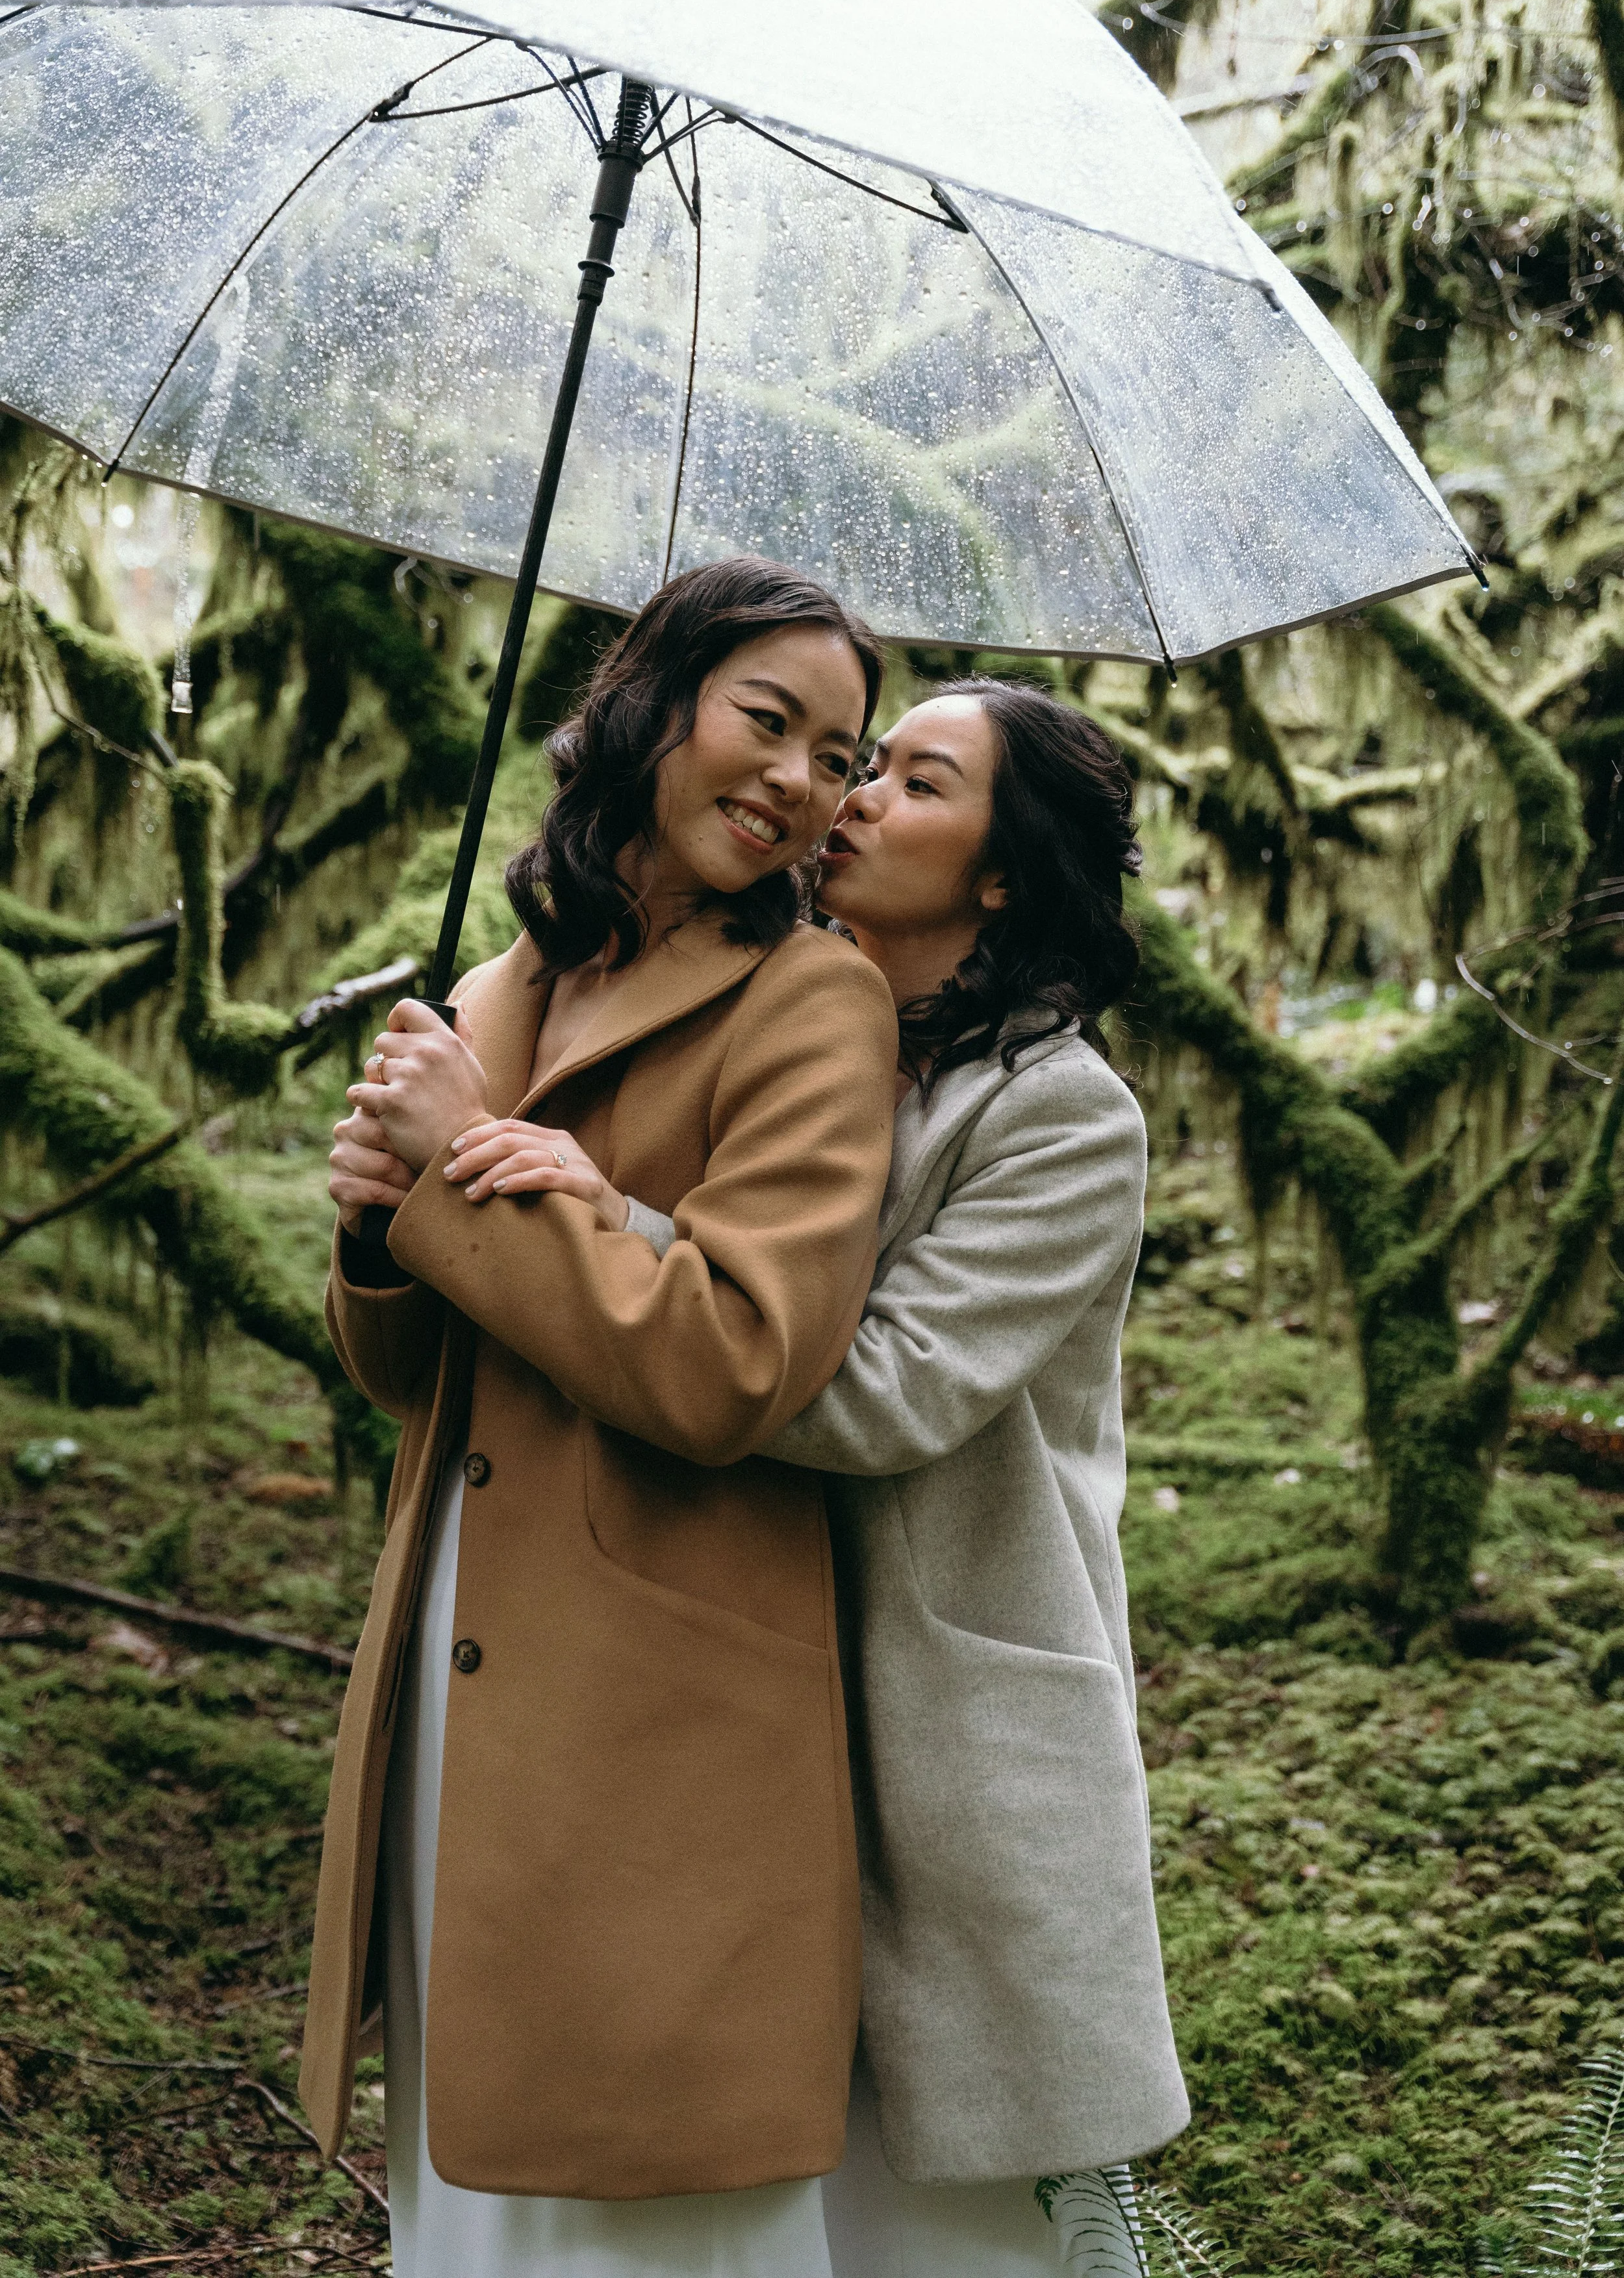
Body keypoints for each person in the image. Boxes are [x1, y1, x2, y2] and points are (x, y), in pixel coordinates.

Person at [457, 676, 1190, 2275]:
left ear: (1000, 874)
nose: (845, 799)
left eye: (912, 783)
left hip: (937, 1692)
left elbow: (872, 1392)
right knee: (765, 2164)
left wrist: (610, 1225)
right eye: (860, 767)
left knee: (946, 2208)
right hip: (735, 1664)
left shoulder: (1062, 1115)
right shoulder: (786, 1018)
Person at [301, 559, 901, 2278]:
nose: (800, 779)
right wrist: (376, 1227)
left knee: (644, 2197)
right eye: (765, 719)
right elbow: (416, 1375)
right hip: (463, 1657)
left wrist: (460, 1185)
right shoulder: (505, 981)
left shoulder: (811, 998)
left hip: (655, 1694)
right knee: (475, 2180)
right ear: (654, 705)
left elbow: (731, 1358)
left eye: (840, 754)